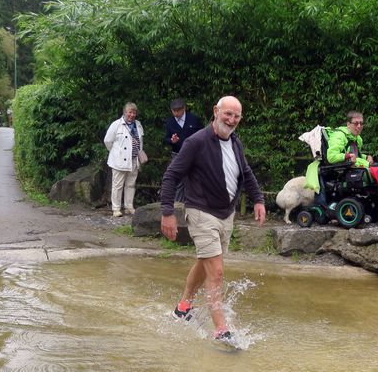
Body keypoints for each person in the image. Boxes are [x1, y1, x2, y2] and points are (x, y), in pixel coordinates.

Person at [160, 96, 266, 343]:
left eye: (236, 116)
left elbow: (246, 173)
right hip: (200, 211)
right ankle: (221, 330)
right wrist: (167, 213)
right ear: (216, 111)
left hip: (225, 214)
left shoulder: (236, 143)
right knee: (216, 271)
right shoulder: (196, 142)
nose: (231, 120)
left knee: (206, 262)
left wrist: (259, 199)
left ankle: (183, 307)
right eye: (227, 114)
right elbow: (171, 176)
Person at [104, 102, 144, 217]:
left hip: (134, 159)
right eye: (130, 112)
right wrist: (117, 152)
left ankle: (129, 207)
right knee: (118, 185)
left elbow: (140, 141)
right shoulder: (116, 124)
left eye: (134, 112)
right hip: (119, 160)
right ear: (125, 112)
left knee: (131, 184)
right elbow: (107, 141)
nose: (132, 115)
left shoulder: (138, 124)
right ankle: (116, 209)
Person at [163, 98, 203, 202]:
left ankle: (195, 204)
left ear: (184, 109)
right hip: (177, 154)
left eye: (178, 110)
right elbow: (166, 138)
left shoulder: (193, 119)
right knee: (178, 181)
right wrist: (172, 141)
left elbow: (202, 135)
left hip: (194, 155)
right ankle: (178, 207)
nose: (176, 113)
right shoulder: (169, 122)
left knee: (194, 179)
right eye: (173, 111)